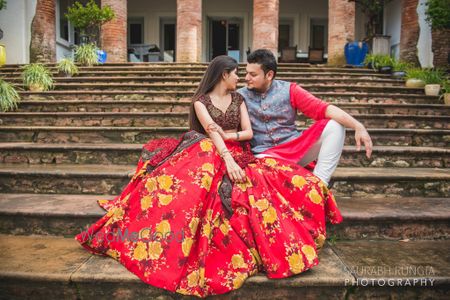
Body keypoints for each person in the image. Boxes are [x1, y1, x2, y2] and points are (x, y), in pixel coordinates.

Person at [75, 55, 342, 298]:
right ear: (223, 75)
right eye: (236, 73)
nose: (241, 78)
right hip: (211, 149)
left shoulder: (239, 99)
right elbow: (211, 131)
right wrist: (225, 154)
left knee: (261, 187)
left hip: (237, 149)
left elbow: (248, 132)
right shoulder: (200, 102)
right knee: (196, 179)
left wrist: (232, 137)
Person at [238, 49, 373, 187]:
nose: (247, 78)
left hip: (296, 149)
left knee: (335, 126)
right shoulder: (239, 96)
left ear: (269, 75)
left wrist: (358, 126)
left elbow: (323, 108)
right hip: (265, 155)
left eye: (253, 74)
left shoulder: (289, 90)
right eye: (246, 72)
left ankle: (320, 184)